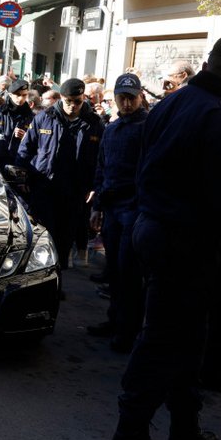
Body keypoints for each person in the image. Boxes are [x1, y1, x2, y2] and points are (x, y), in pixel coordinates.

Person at [108, 37, 221, 440]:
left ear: (209, 62)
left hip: (155, 231)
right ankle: (130, 437)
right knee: (163, 342)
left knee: (187, 341)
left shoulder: (170, 104)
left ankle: (184, 430)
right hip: (187, 245)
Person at [86, 74, 148, 353]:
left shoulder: (148, 128)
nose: (125, 102)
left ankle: (127, 330)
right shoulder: (111, 129)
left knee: (129, 273)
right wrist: (97, 205)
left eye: (130, 97)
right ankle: (115, 322)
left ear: (139, 97)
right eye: (121, 97)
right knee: (115, 271)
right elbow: (102, 168)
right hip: (111, 207)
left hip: (133, 209)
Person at [16, 78, 104, 272]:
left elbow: (101, 160)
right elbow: (25, 150)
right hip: (45, 188)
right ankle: (40, 277)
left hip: (74, 191)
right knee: (44, 237)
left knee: (65, 239)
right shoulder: (44, 117)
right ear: (61, 98)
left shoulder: (94, 123)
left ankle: (58, 279)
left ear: (84, 99)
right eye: (69, 101)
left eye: (78, 101)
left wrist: (94, 187)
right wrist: (22, 179)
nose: (73, 106)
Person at [0, 79, 33, 169]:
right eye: (18, 95)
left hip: (19, 165)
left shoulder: (32, 117)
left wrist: (25, 137)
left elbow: (36, 145)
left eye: (24, 95)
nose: (21, 98)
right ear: (10, 95)